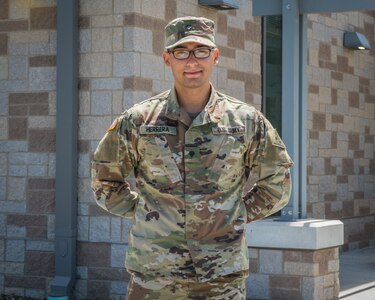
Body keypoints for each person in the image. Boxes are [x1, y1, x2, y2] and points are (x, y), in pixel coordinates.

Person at [91, 16, 293, 300]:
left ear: (215, 56)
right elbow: (105, 180)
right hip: (155, 273)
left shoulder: (246, 121)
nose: (192, 61)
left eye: (201, 51)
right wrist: (146, 212)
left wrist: (233, 214)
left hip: (220, 274)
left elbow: (277, 183)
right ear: (167, 59)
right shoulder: (138, 120)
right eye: (181, 52)